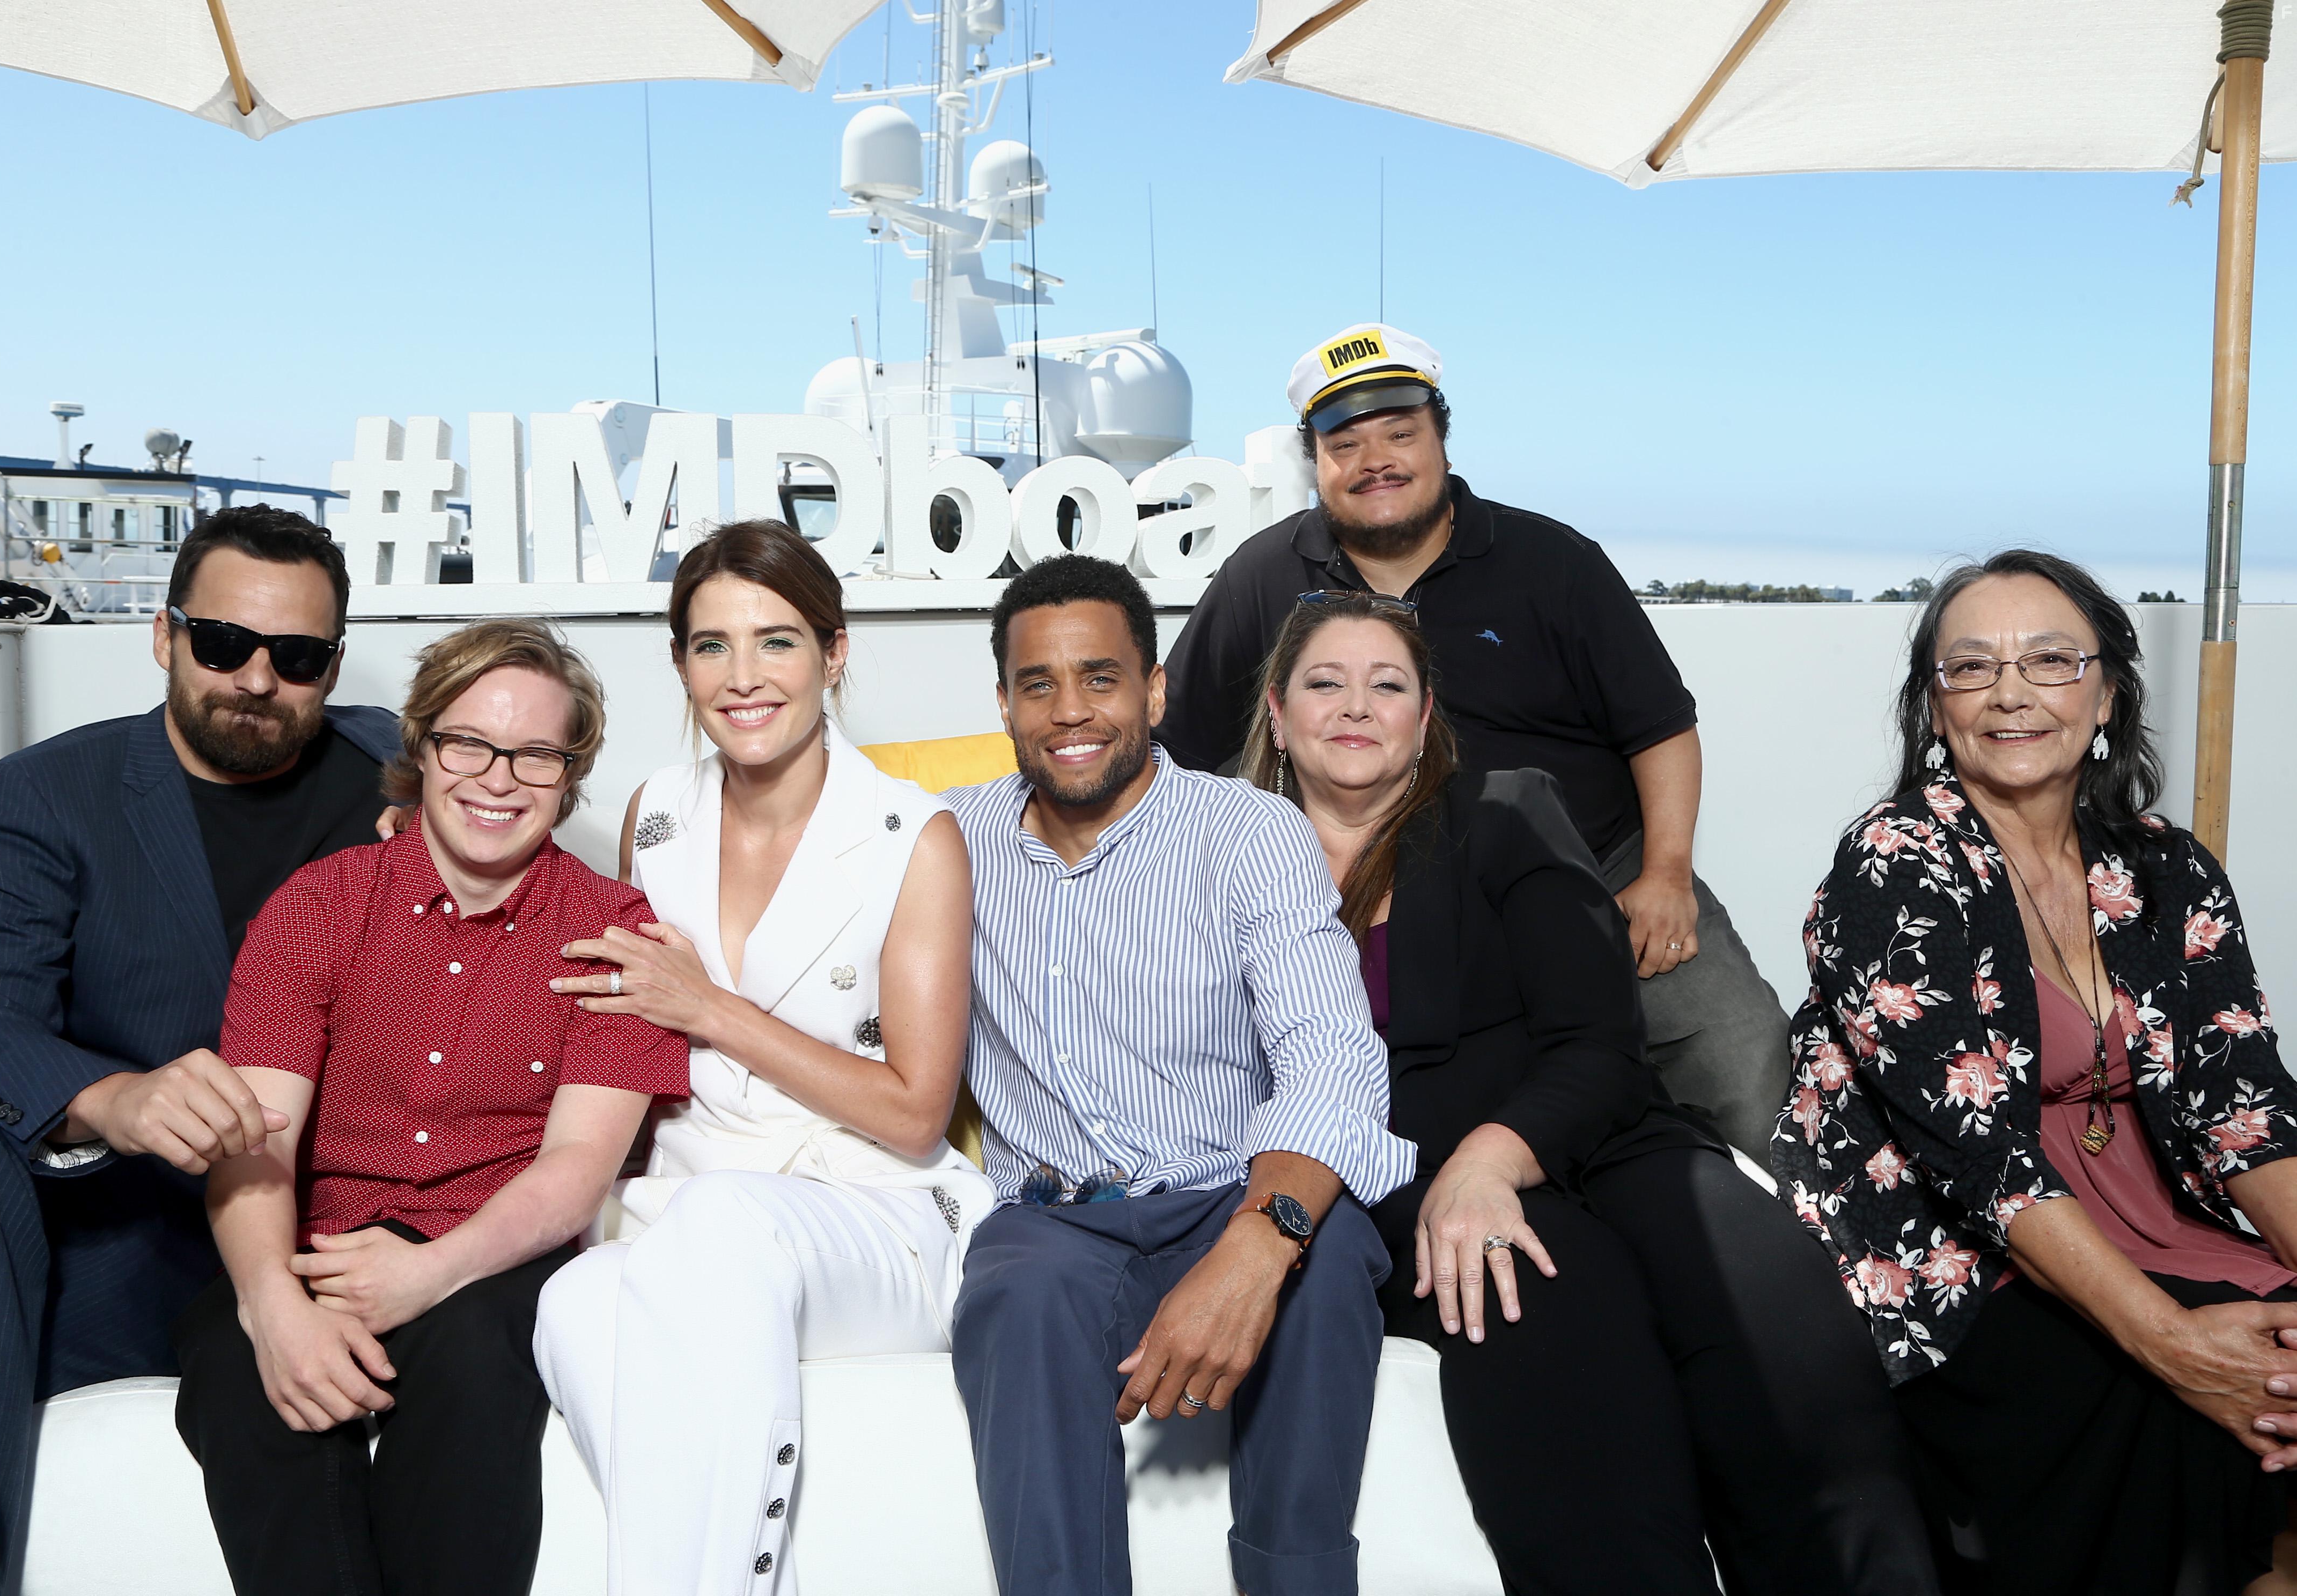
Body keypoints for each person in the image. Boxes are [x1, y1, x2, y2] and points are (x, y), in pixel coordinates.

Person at [1250, 590, 1936, 1596]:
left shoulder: (1506, 813)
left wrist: (1495, 1156)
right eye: (1325, 682)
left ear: (1426, 715)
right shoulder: (1224, 856)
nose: (1356, 705)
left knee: (1769, 1300)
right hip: (1401, 1176)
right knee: (1552, 1314)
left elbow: (1599, 1040)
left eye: (1387, 684)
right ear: (1276, 712)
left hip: (1593, 1135)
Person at [0, 505, 396, 1596]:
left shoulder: (405, 773)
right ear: (164, 637)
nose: (256, 679)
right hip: (116, 1227)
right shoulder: (41, 798)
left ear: (331, 667)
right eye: (222, 644)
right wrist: (113, 1099)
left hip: (326, 1217)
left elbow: (529, 776)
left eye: (295, 657)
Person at [1776, 549, 2297, 1595]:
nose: (2009, 691)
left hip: (2153, 1219)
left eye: (2049, 660)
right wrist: (2177, 1348)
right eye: (1970, 669)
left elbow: (2247, 1114)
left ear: (2105, 692)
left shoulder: (2164, 867)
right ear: (1936, 709)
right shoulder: (1896, 859)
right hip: (1964, 1265)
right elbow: (1980, 1168)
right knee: (2197, 1420)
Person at [1155, 324, 1788, 1161]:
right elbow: (1182, 753)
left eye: (1400, 435)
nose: (1375, 460)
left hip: (1595, 872)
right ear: (1315, 462)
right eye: (1345, 444)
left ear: (1442, 440)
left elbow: (1661, 727)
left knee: (1746, 1063)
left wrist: (1666, 872)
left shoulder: (1554, 559)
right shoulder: (1261, 576)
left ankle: (1820, 1266)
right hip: (1371, 897)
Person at [171, 618, 688, 1596]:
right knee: (241, 1377)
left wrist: (432, 1273)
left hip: (497, 1253)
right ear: (423, 746)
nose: (499, 778)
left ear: (570, 776)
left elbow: (578, 1167)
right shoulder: (319, 905)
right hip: (320, 1244)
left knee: (471, 1365)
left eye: (536, 753)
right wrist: (274, 1303)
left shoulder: (612, 932)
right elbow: (258, 1142)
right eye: (470, 744)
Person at [528, 520, 988, 1596]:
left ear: (834, 655)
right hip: (688, 1202)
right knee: (574, 1302)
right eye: (709, 646)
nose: (742, 679)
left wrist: (711, 1010)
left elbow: (919, 1111)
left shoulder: (913, 836)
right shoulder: (655, 812)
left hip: (868, 1211)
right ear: (679, 662)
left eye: (776, 642)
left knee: (721, 1228)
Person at [945, 553, 1414, 1596]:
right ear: (1005, 706)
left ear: (1152, 690)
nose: (1071, 710)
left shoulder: (1248, 831)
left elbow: (1333, 1054)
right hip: (1053, 1221)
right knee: (1015, 1295)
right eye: (1038, 685)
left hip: (1222, 1192)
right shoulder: (950, 838)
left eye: (1101, 677)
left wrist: (1261, 1240)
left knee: (1327, 1253)